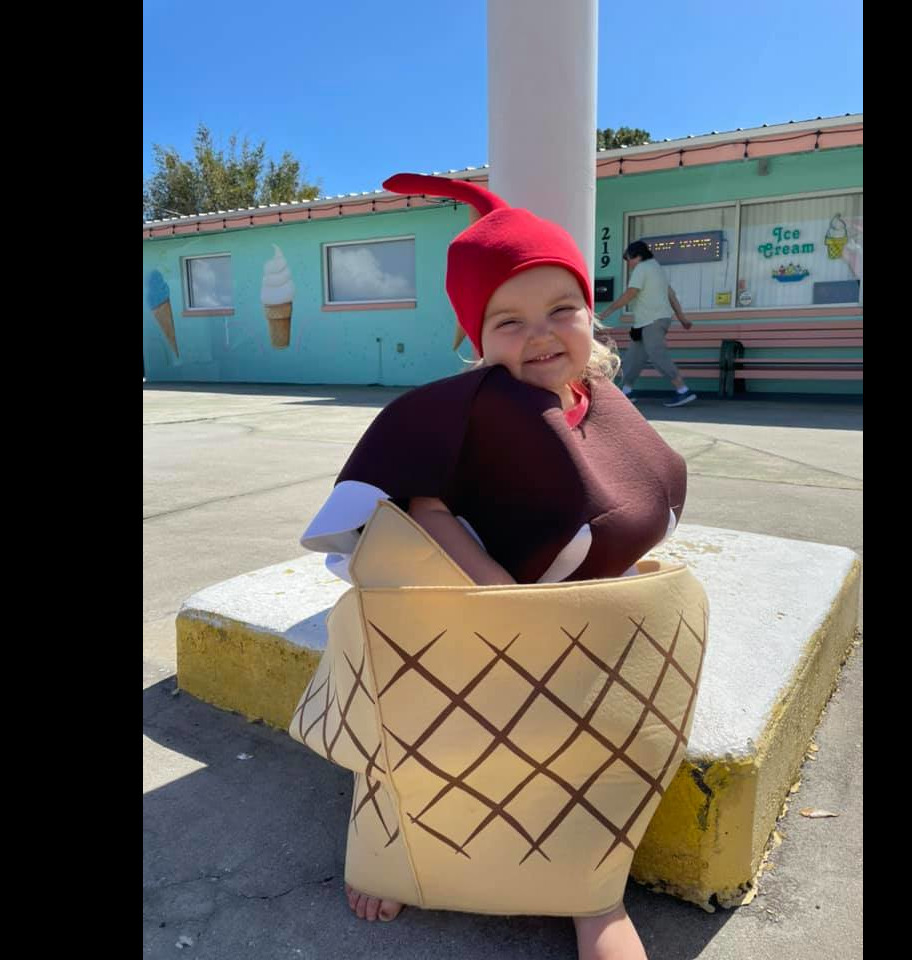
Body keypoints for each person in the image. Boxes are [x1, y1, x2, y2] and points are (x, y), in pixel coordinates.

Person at [298, 173, 689, 960]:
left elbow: (633, 494)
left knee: (593, 743)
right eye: (507, 321)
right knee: (413, 728)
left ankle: (592, 891)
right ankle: (387, 834)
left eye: (561, 310)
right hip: (460, 618)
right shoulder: (460, 408)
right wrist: (493, 588)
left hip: (573, 623)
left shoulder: (602, 399)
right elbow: (421, 506)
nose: (539, 335)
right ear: (476, 337)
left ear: (592, 315)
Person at [596, 241, 697, 407]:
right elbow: (671, 296)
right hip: (649, 322)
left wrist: (607, 311)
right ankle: (626, 391)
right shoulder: (656, 268)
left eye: (628, 259)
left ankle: (682, 390)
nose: (627, 263)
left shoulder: (642, 268)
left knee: (658, 355)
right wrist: (682, 318)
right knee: (634, 358)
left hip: (652, 321)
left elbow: (630, 293)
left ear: (638, 256)